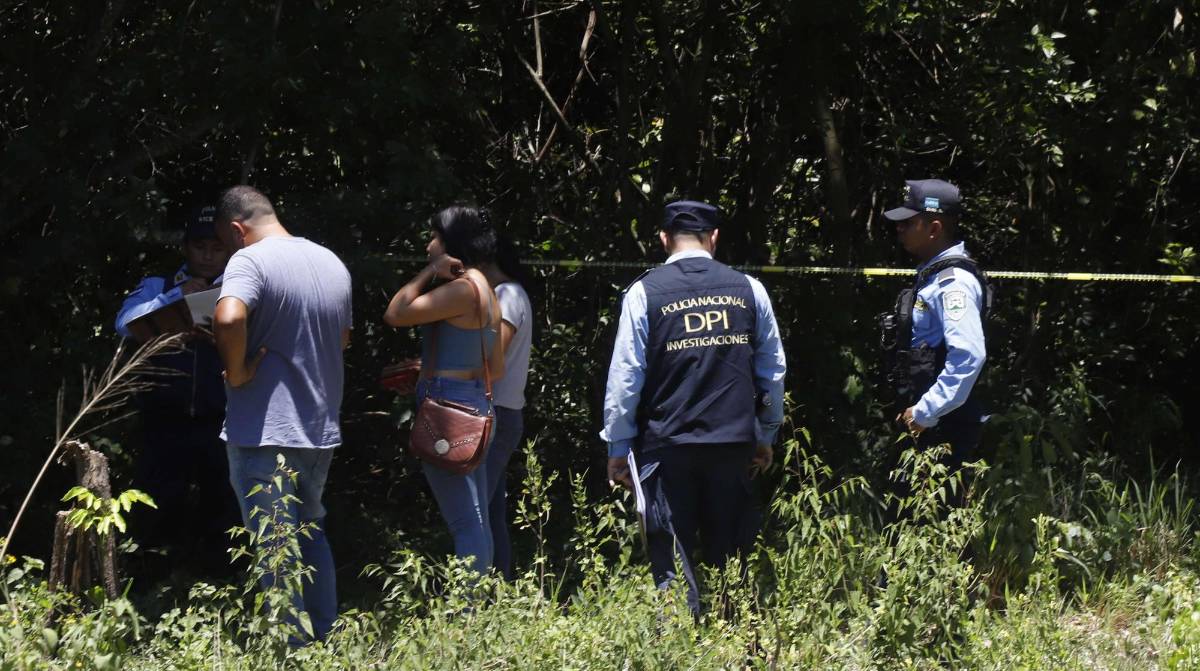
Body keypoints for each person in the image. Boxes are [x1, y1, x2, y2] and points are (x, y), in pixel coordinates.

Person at [600, 200, 787, 616]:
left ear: (664, 239)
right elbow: (772, 370)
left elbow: (626, 376)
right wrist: (765, 432)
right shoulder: (749, 289)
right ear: (714, 237)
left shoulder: (643, 293)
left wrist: (618, 446)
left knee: (671, 555)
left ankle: (679, 647)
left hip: (668, 447)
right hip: (733, 442)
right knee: (731, 554)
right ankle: (735, 644)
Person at [212, 186, 352, 642]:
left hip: (264, 431)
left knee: (275, 545)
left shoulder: (249, 260)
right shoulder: (331, 262)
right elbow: (343, 339)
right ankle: (324, 639)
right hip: (319, 429)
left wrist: (236, 371)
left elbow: (230, 318)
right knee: (311, 532)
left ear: (237, 229)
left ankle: (290, 649)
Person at [114, 204, 240, 576]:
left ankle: (221, 588)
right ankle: (148, 587)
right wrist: (176, 297)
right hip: (164, 416)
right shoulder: (158, 284)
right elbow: (124, 324)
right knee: (156, 505)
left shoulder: (240, 289)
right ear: (186, 247)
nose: (207, 255)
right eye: (199, 246)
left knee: (224, 507)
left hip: (222, 417)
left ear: (230, 251)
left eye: (217, 248)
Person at [383, 205, 505, 575]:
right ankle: (482, 605)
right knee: (477, 516)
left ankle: (469, 614)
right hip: (476, 405)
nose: (428, 245)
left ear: (452, 243)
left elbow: (396, 313)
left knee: (464, 522)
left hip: (449, 409)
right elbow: (495, 367)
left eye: (435, 237)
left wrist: (428, 273)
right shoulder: (486, 287)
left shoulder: (461, 290)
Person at [880, 179, 990, 467]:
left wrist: (925, 412)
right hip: (929, 421)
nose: (899, 228)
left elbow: (968, 356)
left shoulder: (953, 285)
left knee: (934, 511)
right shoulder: (932, 277)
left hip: (942, 427)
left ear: (934, 228)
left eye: (908, 222)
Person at [478, 231, 534, 579]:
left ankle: (480, 589)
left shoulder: (507, 295)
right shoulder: (508, 293)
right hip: (500, 413)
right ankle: (499, 585)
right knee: (491, 508)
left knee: (476, 511)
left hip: (498, 414)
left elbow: (492, 356)